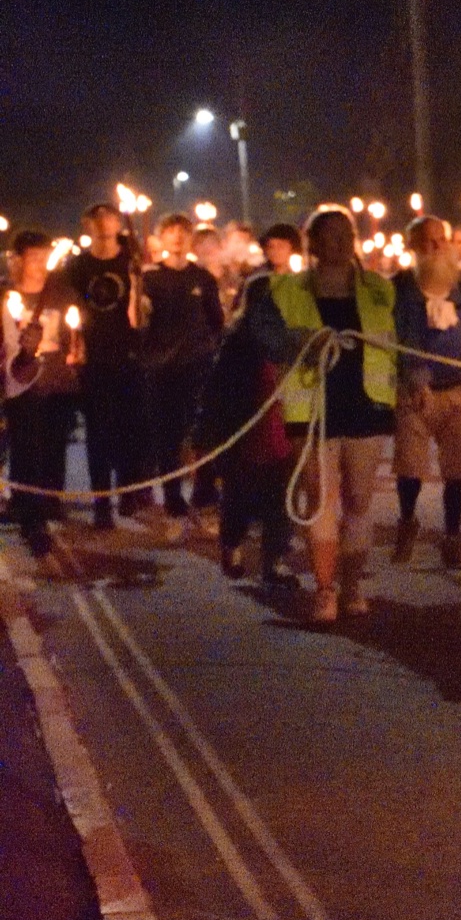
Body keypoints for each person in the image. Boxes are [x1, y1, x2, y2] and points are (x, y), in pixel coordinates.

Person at [246, 206, 397, 622]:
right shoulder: (284, 290)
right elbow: (260, 336)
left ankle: (353, 584)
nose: (339, 241)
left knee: (359, 501)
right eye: (329, 234)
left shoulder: (381, 289)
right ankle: (325, 590)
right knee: (320, 501)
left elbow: (402, 336)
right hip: (310, 409)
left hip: (366, 405)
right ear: (312, 242)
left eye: (345, 233)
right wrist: (300, 340)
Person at [391, 216, 461, 569]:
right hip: (415, 392)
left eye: (440, 240)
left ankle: (452, 538)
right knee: (410, 468)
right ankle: (406, 520)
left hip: (459, 391)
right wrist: (412, 373)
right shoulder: (399, 286)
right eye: (426, 242)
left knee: (457, 471)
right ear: (412, 246)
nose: (435, 247)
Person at [195, 270, 295, 586]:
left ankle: (274, 561)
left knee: (280, 501)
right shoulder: (236, 342)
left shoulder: (292, 340)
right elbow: (217, 391)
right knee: (239, 495)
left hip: (279, 430)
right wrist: (208, 436)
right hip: (244, 430)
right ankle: (232, 545)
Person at [64, 203, 156, 530]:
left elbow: (141, 314)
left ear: (118, 223)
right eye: (97, 218)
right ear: (87, 225)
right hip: (95, 360)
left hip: (129, 356)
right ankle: (102, 500)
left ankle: (128, 491)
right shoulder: (77, 266)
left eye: (110, 218)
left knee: (130, 428)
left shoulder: (129, 262)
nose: (104, 224)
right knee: (99, 432)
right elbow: (72, 309)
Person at [141, 213, 226, 520]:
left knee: (201, 430)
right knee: (167, 434)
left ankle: (204, 488)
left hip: (198, 366)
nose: (177, 237)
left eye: (183, 232)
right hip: (162, 368)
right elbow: (140, 323)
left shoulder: (203, 279)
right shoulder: (149, 279)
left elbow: (217, 322)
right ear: (162, 238)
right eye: (171, 232)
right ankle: (173, 495)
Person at [4, 231, 79, 571]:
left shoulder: (60, 292)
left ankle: (45, 505)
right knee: (27, 452)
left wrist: (77, 346)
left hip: (57, 383)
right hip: (22, 387)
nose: (40, 265)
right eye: (33, 258)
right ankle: (31, 519)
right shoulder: (7, 297)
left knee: (52, 449)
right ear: (18, 259)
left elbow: (73, 332)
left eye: (44, 258)